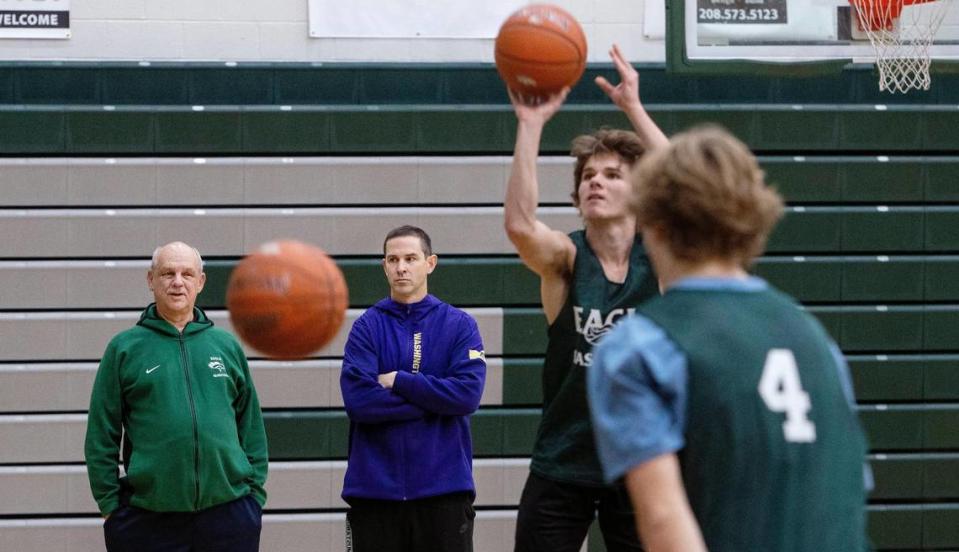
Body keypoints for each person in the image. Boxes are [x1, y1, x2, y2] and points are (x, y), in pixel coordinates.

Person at [588, 126, 870, 551]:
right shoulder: (816, 340)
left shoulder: (638, 347)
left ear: (653, 223)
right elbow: (848, 491)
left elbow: (664, 521)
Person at [504, 44, 668, 552]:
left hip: (640, 460)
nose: (596, 181)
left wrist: (634, 109)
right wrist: (530, 123)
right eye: (588, 177)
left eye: (613, 175)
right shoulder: (566, 259)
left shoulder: (661, 261)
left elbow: (688, 188)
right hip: (564, 461)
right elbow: (519, 224)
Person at [84, 241, 268, 552]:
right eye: (167, 273)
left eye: (187, 273)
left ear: (201, 281)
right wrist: (110, 508)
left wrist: (254, 497)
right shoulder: (125, 349)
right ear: (150, 280)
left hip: (229, 515)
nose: (177, 282)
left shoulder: (226, 346)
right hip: (148, 521)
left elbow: (250, 426)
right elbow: (102, 435)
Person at [339, 225, 487, 552]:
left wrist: (401, 381)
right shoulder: (366, 327)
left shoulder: (460, 325)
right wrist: (435, 400)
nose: (401, 267)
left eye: (410, 258)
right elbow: (359, 401)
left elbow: (467, 395)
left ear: (430, 263)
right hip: (375, 495)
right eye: (393, 259)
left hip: (444, 494)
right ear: (384, 266)